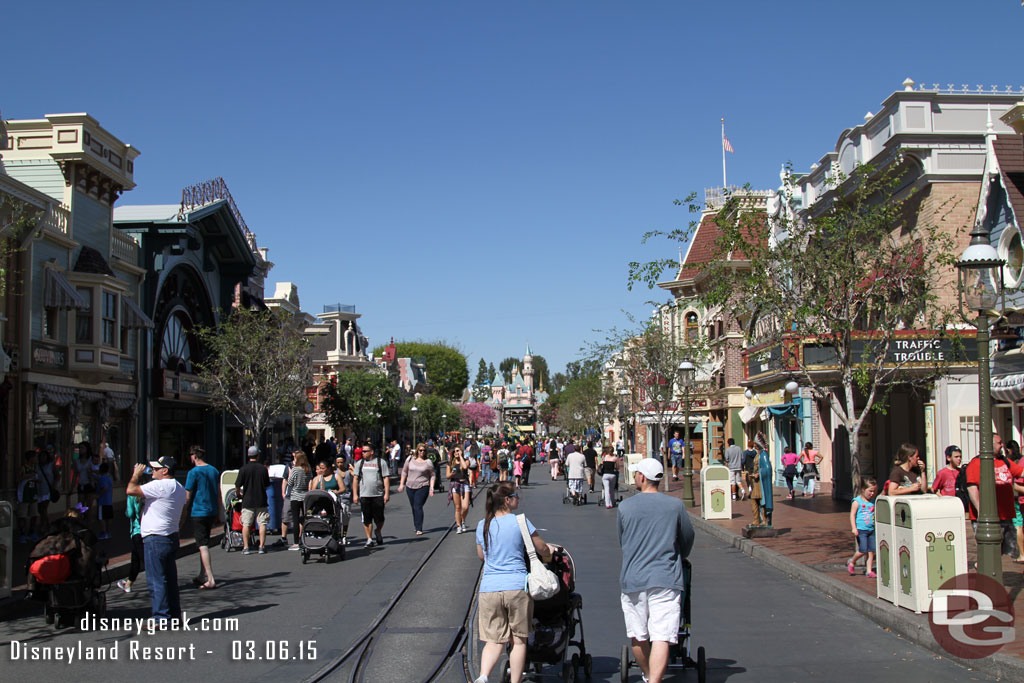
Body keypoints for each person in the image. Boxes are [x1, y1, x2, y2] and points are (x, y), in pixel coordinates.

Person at [618, 458, 695, 683]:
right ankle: (654, 681)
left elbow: (623, 541)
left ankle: (649, 675)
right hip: (666, 576)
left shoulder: (625, 507)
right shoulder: (675, 506)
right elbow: (687, 538)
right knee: (662, 636)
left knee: (638, 635)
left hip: (634, 577)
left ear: (642, 477)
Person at [473, 482, 555, 683]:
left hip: (489, 589)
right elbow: (542, 548)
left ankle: (483, 676)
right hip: (516, 586)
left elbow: (482, 555)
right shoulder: (520, 522)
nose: (518, 499)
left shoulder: (483, 524)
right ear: (507, 500)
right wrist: (550, 552)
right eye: (516, 496)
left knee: (493, 641)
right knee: (518, 641)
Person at [126, 456, 187, 622]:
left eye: (156, 469)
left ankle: (160, 616)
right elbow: (184, 511)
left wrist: (136, 475)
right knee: (170, 579)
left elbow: (131, 490)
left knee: (156, 579)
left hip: (155, 537)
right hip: (170, 535)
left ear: (165, 471)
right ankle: (174, 615)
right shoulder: (179, 488)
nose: (152, 471)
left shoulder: (159, 485)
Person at [965, 433, 1024, 558]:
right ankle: (983, 571)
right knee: (989, 555)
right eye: (999, 442)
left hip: (1006, 516)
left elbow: (1020, 472)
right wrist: (981, 512)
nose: (1002, 445)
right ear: (988, 444)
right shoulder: (976, 463)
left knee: (1007, 554)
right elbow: (972, 488)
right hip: (987, 519)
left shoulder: (1004, 461)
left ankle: (999, 576)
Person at [183, 446, 219, 589]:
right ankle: (202, 574)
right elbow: (218, 492)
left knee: (202, 544)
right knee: (204, 542)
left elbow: (188, 494)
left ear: (194, 456)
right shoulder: (214, 470)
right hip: (211, 510)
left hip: (199, 510)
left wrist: (184, 511)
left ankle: (210, 578)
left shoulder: (194, 472)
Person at [352, 444, 390, 547]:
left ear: (371, 452)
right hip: (364, 494)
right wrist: (355, 494)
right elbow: (355, 479)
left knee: (380, 518)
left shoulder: (380, 462)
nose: (362, 453)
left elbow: (385, 478)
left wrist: (387, 493)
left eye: (365, 451)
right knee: (366, 518)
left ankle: (378, 531)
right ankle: (369, 539)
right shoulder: (360, 463)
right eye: (362, 452)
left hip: (377, 494)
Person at [236, 446, 271, 555]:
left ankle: (246, 547)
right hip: (261, 499)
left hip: (247, 499)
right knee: (262, 523)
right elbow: (266, 485)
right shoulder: (263, 469)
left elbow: (237, 485)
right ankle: (261, 546)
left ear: (248, 455)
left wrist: (239, 494)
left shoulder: (243, 469)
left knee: (246, 524)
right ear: (258, 455)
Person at [116, 474, 146, 593]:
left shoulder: (132, 495)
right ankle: (128, 584)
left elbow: (130, 513)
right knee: (136, 558)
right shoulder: (148, 492)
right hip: (147, 530)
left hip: (137, 530)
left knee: (143, 559)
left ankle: (158, 584)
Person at [398, 442, 436, 535]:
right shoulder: (410, 459)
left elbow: (432, 475)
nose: (422, 452)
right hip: (410, 486)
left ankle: (419, 528)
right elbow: (404, 472)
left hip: (423, 486)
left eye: (424, 450)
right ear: (417, 451)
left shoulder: (428, 462)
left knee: (417, 506)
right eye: (420, 450)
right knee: (414, 507)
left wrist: (431, 487)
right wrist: (401, 484)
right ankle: (416, 525)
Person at [847, 477, 878, 578]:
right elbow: (852, 515)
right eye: (870, 491)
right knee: (863, 549)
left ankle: (869, 571)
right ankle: (852, 561)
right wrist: (854, 528)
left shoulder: (872, 502)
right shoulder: (857, 501)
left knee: (871, 551)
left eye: (874, 491)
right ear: (864, 489)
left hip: (871, 529)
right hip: (861, 529)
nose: (872, 493)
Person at [287, 451, 312, 550]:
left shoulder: (295, 469)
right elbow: (310, 479)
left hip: (295, 495)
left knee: (296, 519)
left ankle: (296, 542)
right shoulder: (307, 469)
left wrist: (290, 474)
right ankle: (306, 538)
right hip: (305, 495)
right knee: (306, 518)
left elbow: (290, 482)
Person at [16, 450, 40, 543]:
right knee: (23, 515)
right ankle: (22, 534)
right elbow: (18, 478)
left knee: (34, 515)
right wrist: (29, 476)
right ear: (30, 458)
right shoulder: (23, 468)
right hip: (24, 495)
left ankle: (31, 532)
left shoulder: (35, 468)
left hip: (33, 494)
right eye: (34, 457)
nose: (36, 459)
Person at [449, 446, 473, 533]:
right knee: (458, 507)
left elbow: (465, 467)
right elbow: (448, 476)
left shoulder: (466, 460)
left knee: (465, 506)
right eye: (455, 451)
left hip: (465, 484)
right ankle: (459, 525)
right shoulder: (451, 462)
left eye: (458, 451)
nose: (456, 452)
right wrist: (452, 473)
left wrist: (461, 457)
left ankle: (463, 520)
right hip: (455, 484)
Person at [754, 433, 774, 526]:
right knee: (761, 500)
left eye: (755, 444)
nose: (754, 445)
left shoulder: (763, 454)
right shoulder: (760, 454)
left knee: (765, 500)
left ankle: (767, 520)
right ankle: (763, 520)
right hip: (760, 481)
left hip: (764, 481)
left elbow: (768, 468)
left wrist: (759, 473)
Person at [599, 444, 620, 509]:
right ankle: (612, 502)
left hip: (605, 474)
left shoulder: (604, 457)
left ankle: (608, 504)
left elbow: (601, 464)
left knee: (606, 489)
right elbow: (617, 467)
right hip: (612, 475)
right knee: (612, 489)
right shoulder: (615, 458)